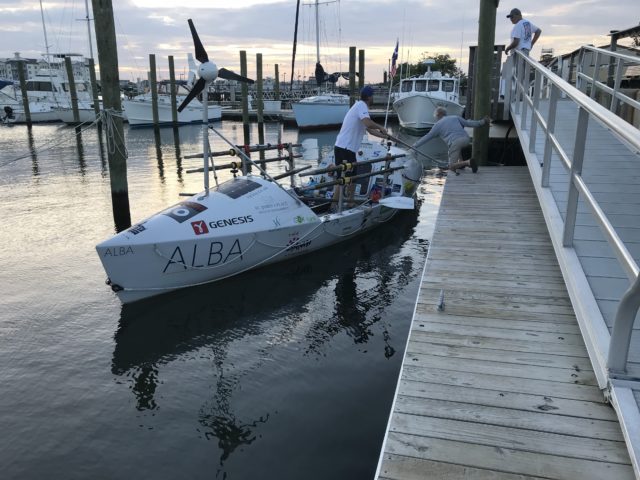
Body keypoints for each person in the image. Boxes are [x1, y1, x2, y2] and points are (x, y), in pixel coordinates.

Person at [332, 85, 389, 207]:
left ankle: (346, 202)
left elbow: (369, 130)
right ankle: (338, 205)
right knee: (345, 178)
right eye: (373, 96)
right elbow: (368, 123)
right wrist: (381, 127)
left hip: (342, 147)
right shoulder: (361, 106)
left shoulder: (359, 107)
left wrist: (386, 136)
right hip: (346, 149)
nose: (374, 98)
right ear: (369, 97)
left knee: (348, 177)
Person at [412, 107, 490, 174]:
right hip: (466, 139)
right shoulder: (455, 117)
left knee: (451, 166)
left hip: (455, 142)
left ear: (438, 115)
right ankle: (463, 164)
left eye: (435, 116)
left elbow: (427, 137)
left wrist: (415, 145)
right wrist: (482, 121)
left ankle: (468, 162)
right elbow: (469, 123)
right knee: (456, 152)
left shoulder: (437, 125)